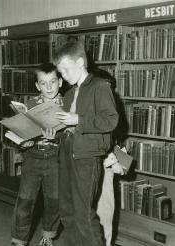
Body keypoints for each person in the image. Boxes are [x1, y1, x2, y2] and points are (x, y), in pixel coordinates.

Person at [53, 41, 119, 246]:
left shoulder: (100, 86)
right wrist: (53, 132)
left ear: (80, 62)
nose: (62, 75)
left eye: (66, 69)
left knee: (83, 214)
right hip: (66, 152)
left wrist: (78, 120)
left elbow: (111, 120)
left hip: (87, 157)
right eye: (60, 71)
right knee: (67, 211)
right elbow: (66, 126)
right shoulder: (70, 93)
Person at [11, 63, 63, 246]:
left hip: (56, 159)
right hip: (33, 157)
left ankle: (48, 236)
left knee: (54, 200)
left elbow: (72, 139)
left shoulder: (67, 106)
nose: (49, 87)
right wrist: (25, 141)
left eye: (53, 82)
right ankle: (19, 241)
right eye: (43, 83)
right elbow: (21, 133)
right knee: (25, 201)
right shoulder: (30, 105)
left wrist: (56, 138)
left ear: (61, 82)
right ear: (37, 86)